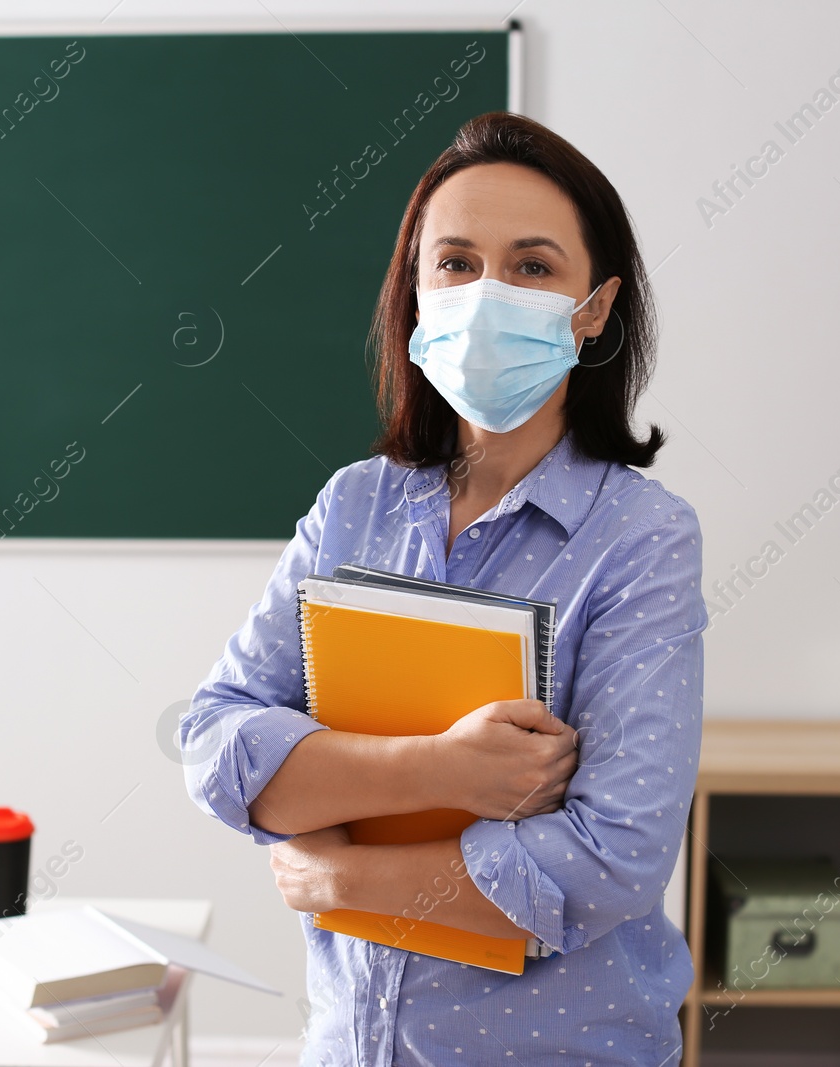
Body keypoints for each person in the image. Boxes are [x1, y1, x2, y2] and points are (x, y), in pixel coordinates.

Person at [181, 111, 704, 1066]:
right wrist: (444, 770)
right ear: (417, 293)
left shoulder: (640, 537)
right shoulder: (353, 507)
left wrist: (340, 875)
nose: (488, 292)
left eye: (534, 267)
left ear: (594, 309)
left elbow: (608, 861)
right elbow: (217, 744)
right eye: (456, 262)